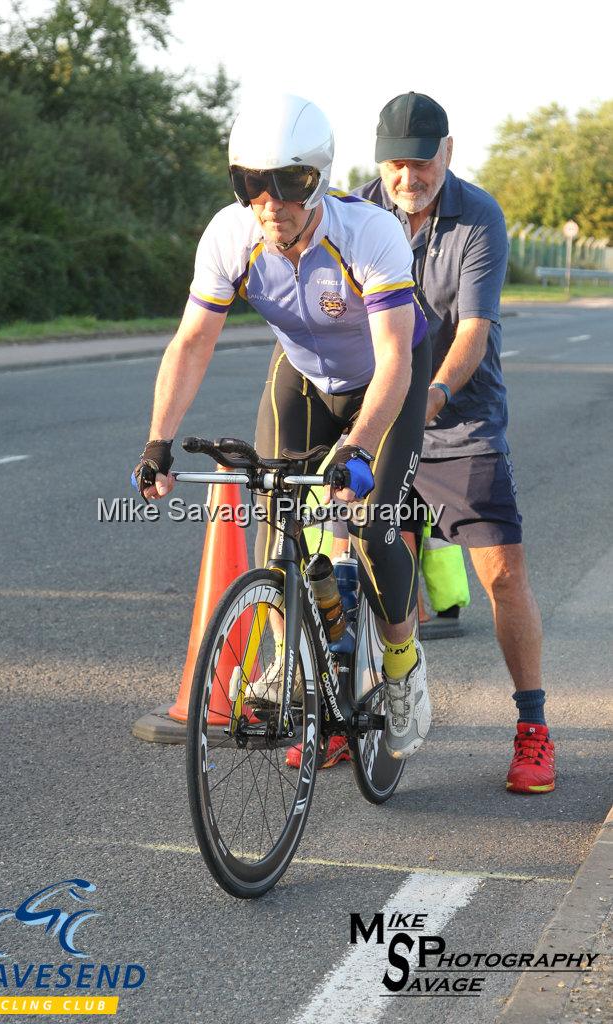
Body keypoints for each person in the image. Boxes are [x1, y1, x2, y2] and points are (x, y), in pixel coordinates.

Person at [132, 93, 433, 766]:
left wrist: (356, 446)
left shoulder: (369, 235)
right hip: (300, 376)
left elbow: (393, 361)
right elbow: (191, 344)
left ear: (318, 178)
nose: (270, 204)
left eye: (289, 184)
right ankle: (285, 662)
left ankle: (401, 668)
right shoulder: (229, 235)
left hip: (386, 380)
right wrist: (157, 440)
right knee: (277, 518)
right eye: (251, 185)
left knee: (375, 525)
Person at [352, 92, 555, 794]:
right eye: (396, 163)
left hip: (457, 418)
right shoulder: (354, 215)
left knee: (499, 575)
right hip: (381, 417)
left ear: (447, 152)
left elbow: (472, 330)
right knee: (382, 570)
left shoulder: (477, 215)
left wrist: (430, 394)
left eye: (422, 161)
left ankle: (532, 727)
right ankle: (381, 705)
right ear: (380, 161)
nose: (409, 176)